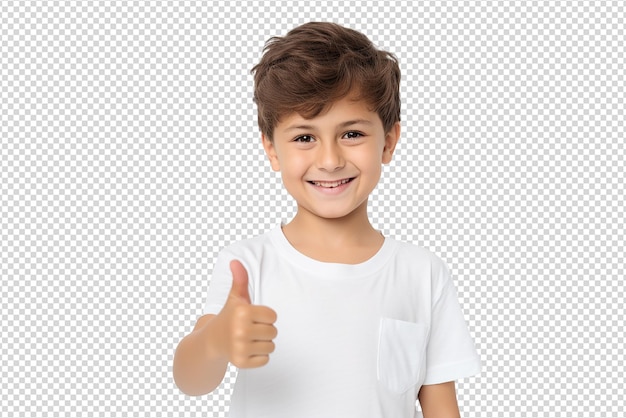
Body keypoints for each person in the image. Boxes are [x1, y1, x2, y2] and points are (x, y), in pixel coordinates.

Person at [173, 21, 481, 418]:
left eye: (352, 134)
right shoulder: (248, 265)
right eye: (304, 137)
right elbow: (191, 379)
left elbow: (441, 407)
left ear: (388, 142)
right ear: (272, 149)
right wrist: (215, 341)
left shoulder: (423, 274)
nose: (331, 160)